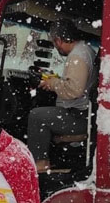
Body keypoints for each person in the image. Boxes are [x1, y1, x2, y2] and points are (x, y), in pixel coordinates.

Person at [27, 18, 97, 173]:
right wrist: (56, 80)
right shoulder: (86, 50)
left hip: (80, 116)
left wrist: (52, 83)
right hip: (86, 115)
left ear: (58, 40)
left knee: (37, 116)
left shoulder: (77, 56)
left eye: (54, 42)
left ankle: (41, 163)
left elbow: (74, 90)